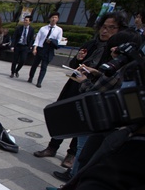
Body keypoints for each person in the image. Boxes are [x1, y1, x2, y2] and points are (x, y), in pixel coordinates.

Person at [34, 12, 126, 170]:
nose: (105, 31)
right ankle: (52, 146)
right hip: (75, 85)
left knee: (83, 122)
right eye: (104, 27)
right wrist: (78, 59)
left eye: (111, 28)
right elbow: (73, 64)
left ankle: (72, 153)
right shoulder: (91, 44)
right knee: (62, 117)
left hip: (92, 92)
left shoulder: (116, 52)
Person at [28, 12, 63, 88]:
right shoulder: (43, 28)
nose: (54, 19)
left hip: (49, 50)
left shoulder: (59, 30)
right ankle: (30, 77)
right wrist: (35, 48)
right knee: (35, 64)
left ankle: (39, 82)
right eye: (53, 17)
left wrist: (52, 41)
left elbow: (59, 40)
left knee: (44, 67)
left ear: (58, 19)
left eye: (56, 17)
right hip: (41, 48)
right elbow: (38, 38)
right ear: (50, 18)